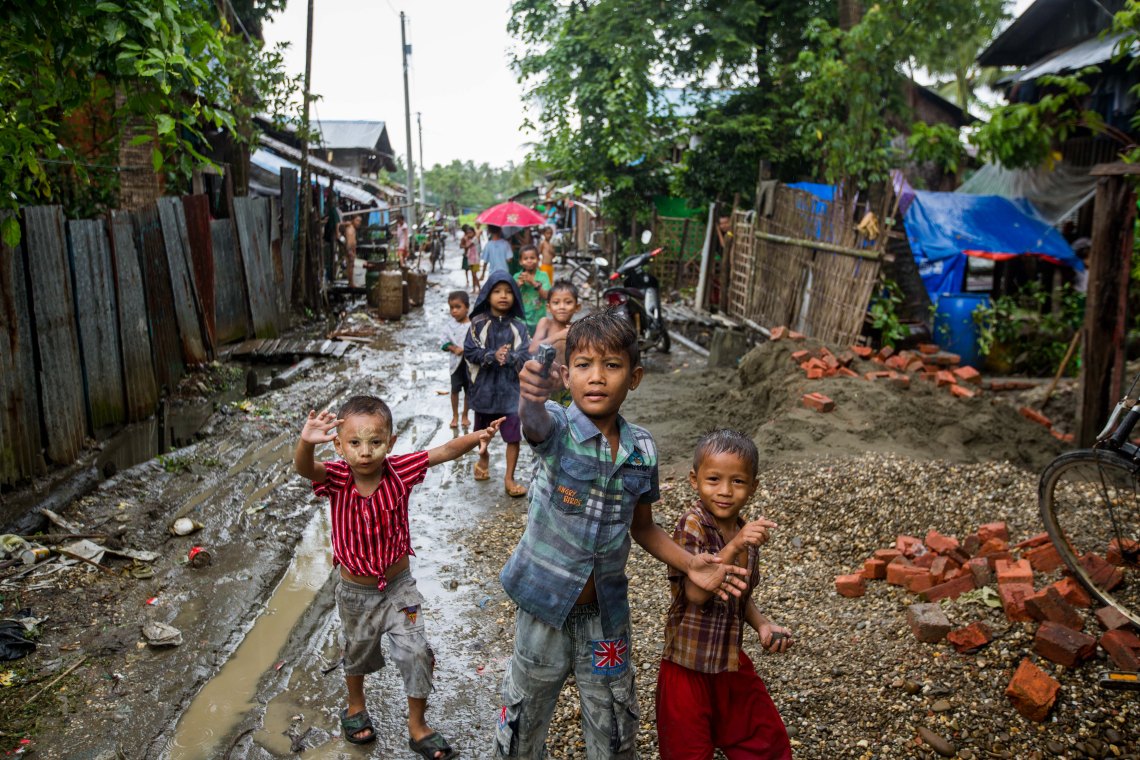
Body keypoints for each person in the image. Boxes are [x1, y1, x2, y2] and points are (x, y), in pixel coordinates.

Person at [493, 309, 750, 759]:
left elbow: (644, 527)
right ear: (567, 374)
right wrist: (530, 398)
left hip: (605, 616)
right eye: (584, 365)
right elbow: (534, 423)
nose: (597, 377)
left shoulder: (642, 449)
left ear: (634, 377)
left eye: (611, 366)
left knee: (613, 724)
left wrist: (692, 563)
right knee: (523, 722)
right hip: (543, 610)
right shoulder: (557, 427)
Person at [294, 395, 502, 757]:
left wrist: (477, 436)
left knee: (416, 650)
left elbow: (445, 451)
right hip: (355, 593)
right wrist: (304, 443)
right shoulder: (337, 477)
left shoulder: (400, 470)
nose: (365, 452)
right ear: (338, 445)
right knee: (357, 650)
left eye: (375, 442)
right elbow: (305, 470)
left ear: (390, 443)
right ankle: (356, 706)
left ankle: (417, 725)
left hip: (399, 589)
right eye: (355, 443)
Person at [656, 428, 793, 760]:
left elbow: (738, 594)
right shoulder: (693, 525)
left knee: (765, 740)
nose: (725, 491)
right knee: (688, 750)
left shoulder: (744, 531)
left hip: (727, 661)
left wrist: (761, 624)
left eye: (738, 482)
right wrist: (734, 546)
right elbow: (696, 595)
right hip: (687, 667)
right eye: (714, 479)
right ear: (694, 479)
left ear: (753, 486)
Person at [463, 271, 531, 498]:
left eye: (509, 291)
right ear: (487, 295)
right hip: (483, 391)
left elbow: (525, 354)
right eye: (497, 291)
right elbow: (470, 352)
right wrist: (492, 355)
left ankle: (509, 478)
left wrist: (509, 357)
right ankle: (483, 458)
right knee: (482, 435)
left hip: (511, 393)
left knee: (513, 436)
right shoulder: (477, 324)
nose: (503, 296)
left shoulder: (519, 328)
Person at [528, 280, 580, 407]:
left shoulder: (577, 328)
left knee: (569, 418)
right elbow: (533, 349)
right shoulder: (546, 323)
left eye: (568, 302)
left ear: (577, 307)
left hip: (569, 385)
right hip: (547, 385)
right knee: (548, 419)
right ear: (548, 307)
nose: (562, 307)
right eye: (556, 302)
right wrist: (559, 336)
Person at [443, 290, 472, 430]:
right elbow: (443, 343)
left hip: (469, 365)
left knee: (468, 391)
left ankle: (465, 415)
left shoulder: (473, 325)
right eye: (451, 308)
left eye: (458, 307)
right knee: (455, 390)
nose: (454, 311)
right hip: (455, 365)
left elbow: (479, 343)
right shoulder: (449, 326)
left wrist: (466, 350)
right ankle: (455, 415)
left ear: (467, 307)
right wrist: (453, 348)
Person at [514, 244, 551, 337]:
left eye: (532, 258)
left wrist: (533, 282)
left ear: (538, 259)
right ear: (520, 262)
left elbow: (547, 296)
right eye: (525, 259)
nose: (529, 261)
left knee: (538, 347)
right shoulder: (516, 276)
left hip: (539, 320)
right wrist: (517, 286)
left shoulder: (543, 276)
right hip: (520, 320)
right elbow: (511, 298)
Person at [338, 216, 362, 285]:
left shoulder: (352, 228)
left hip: (352, 249)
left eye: (360, 221)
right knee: (351, 265)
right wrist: (349, 250)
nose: (359, 223)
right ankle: (351, 283)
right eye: (357, 220)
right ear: (353, 220)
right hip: (350, 248)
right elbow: (348, 241)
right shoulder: (349, 228)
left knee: (351, 265)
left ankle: (351, 282)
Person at [461, 225, 482, 293]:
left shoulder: (475, 239)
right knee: (473, 275)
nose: (469, 234)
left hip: (475, 260)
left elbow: (467, 246)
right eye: (468, 233)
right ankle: (474, 289)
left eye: (470, 232)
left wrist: (466, 239)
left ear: (473, 232)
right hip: (470, 259)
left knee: (474, 275)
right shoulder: (470, 239)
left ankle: (479, 288)